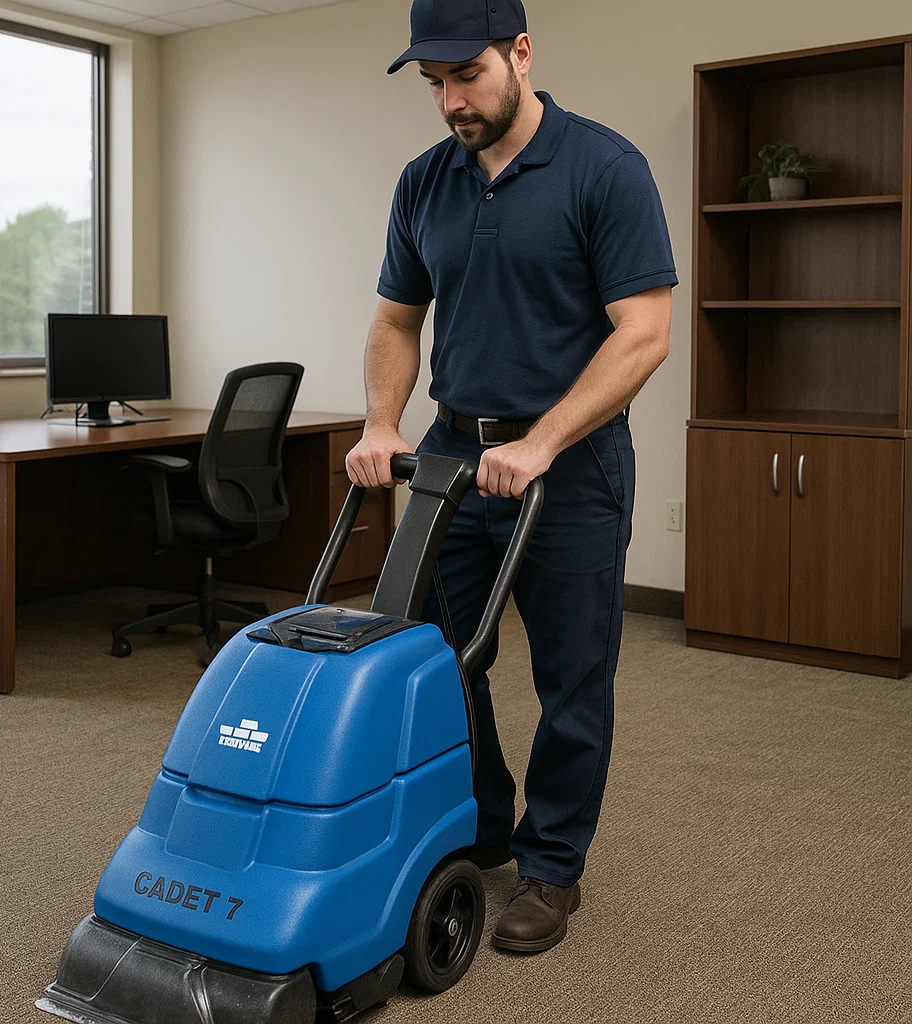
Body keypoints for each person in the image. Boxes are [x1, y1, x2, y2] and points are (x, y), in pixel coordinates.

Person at [345, 0, 677, 954]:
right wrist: (380, 422)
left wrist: (542, 442)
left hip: (569, 463)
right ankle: (485, 818)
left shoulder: (605, 168)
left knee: (573, 673)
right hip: (452, 453)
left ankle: (553, 865)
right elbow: (396, 320)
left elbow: (644, 334)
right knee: (433, 657)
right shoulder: (425, 181)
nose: (452, 100)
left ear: (521, 54)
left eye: (469, 76)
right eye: (435, 83)